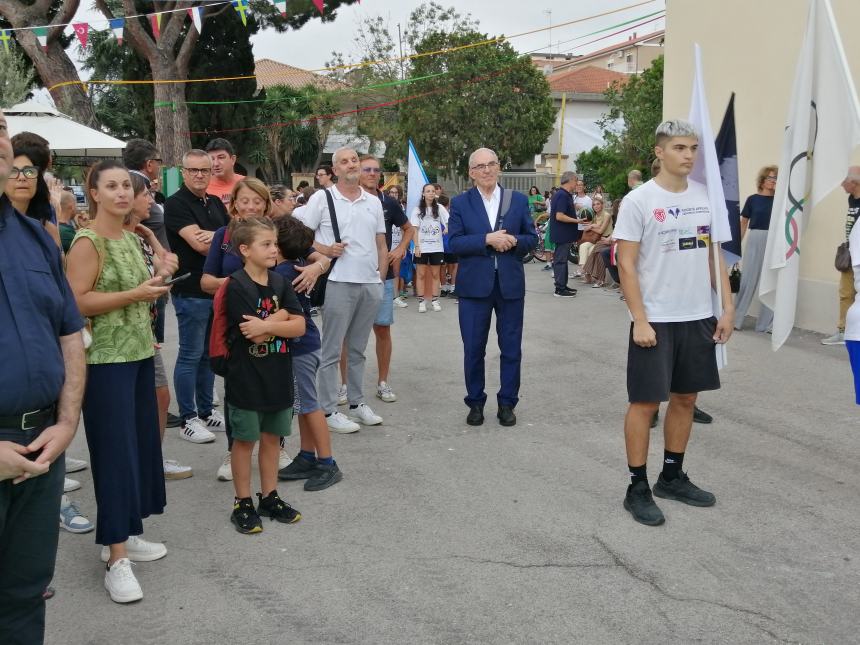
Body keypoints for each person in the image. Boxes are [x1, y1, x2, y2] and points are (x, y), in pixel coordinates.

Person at [613, 119, 734, 527]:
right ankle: (637, 486)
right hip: (656, 320)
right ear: (659, 152)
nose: (689, 155)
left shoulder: (706, 196)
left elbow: (714, 256)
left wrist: (728, 308)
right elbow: (625, 265)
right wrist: (640, 319)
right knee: (646, 403)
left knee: (686, 399)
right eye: (680, 148)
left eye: (694, 148)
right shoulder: (638, 200)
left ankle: (671, 475)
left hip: (698, 316)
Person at [66, 160, 177, 602]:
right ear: (93, 193)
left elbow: (144, 289)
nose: (121, 193)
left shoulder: (131, 237)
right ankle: (115, 557)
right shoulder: (87, 241)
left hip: (137, 355)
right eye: (110, 186)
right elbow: (76, 302)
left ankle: (126, 531)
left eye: (126, 186)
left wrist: (159, 278)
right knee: (113, 455)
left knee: (138, 448)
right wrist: (136, 294)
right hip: (105, 362)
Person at [0, 110, 86, 645]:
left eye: (0, 130)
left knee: (26, 594)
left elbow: (69, 334)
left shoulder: (35, 237)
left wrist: (67, 419)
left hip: (42, 448)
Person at [202, 178, 322, 480]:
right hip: (237, 326)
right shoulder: (223, 236)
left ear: (267, 204)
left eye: (257, 201)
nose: (251, 206)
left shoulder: (277, 232)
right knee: (237, 392)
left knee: (277, 387)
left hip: (274, 327)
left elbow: (320, 256)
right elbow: (205, 281)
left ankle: (277, 446)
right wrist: (239, 285)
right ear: (234, 203)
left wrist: (315, 268)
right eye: (245, 200)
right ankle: (235, 452)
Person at [221, 217, 305, 534]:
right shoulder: (236, 285)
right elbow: (251, 336)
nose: (274, 249)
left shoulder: (280, 282)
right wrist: (282, 318)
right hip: (246, 378)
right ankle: (242, 502)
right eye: (265, 244)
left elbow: (299, 326)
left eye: (274, 243)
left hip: (278, 376)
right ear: (245, 249)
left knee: (273, 438)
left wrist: (271, 322)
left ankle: (269, 496)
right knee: (245, 441)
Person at [296, 147, 388, 433]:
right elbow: (299, 237)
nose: (352, 165)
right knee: (332, 349)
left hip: (370, 283)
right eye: (344, 161)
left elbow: (381, 244)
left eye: (355, 160)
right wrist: (324, 249)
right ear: (334, 170)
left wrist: (380, 278)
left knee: (359, 348)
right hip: (337, 280)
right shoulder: (323, 199)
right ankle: (328, 409)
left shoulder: (372, 202)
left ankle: (357, 402)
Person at [448, 147, 537, 427]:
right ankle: (475, 401)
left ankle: (507, 403)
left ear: (499, 167)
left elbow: (532, 238)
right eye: (480, 166)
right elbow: (453, 243)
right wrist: (487, 239)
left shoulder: (518, 200)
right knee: (474, 348)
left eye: (491, 164)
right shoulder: (461, 203)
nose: (486, 170)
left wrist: (512, 241)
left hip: (510, 286)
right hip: (474, 287)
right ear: (471, 173)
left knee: (511, 348)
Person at [125, 172, 191, 480]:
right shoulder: (112, 239)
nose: (152, 199)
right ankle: (143, 462)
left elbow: (168, 264)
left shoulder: (140, 234)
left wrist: (150, 237)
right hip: (126, 333)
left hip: (145, 328)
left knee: (159, 396)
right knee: (148, 397)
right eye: (146, 194)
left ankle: (152, 458)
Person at [164, 149, 229, 443]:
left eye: (205, 170)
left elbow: (233, 238)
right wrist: (218, 237)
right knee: (190, 354)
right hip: (190, 289)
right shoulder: (176, 203)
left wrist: (212, 236)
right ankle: (187, 417)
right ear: (183, 172)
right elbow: (201, 246)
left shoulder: (215, 202)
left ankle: (205, 411)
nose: (200, 175)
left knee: (207, 353)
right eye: (194, 170)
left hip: (214, 288)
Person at [274, 216, 343, 490]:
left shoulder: (281, 275)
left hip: (301, 346)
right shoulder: (293, 268)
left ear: (277, 246)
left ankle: (327, 462)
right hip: (305, 344)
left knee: (310, 404)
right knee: (303, 402)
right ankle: (306, 455)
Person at [358, 155, 413, 402]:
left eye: (376, 170)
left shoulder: (388, 203)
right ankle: (344, 385)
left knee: (382, 329)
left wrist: (401, 249)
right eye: (366, 169)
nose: (372, 173)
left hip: (383, 276)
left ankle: (382, 382)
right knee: (348, 335)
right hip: (350, 275)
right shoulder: (344, 200)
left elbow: (409, 228)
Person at [733, 165, 778, 332]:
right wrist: (736, 245)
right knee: (747, 280)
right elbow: (743, 223)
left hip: (774, 241)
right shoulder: (753, 199)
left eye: (775, 179)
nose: (773, 182)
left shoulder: (780, 200)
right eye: (770, 178)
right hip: (755, 238)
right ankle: (735, 319)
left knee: (772, 281)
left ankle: (766, 324)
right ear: (763, 180)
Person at [822, 166, 860, 345]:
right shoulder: (852, 199)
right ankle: (843, 331)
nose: (841, 185)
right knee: (846, 293)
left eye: (843, 181)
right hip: (849, 253)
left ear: (854, 182)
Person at [5, 132, 62, 251]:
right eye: (13, 171)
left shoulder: (47, 229)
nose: (22, 177)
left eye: (30, 171)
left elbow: (57, 266)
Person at [412, 183, 449, 312]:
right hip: (422, 247)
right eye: (428, 191)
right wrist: (417, 246)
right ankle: (422, 301)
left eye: (433, 191)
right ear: (423, 193)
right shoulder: (417, 209)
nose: (431, 193)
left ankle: (435, 300)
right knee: (420, 274)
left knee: (435, 274)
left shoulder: (439, 208)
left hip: (437, 247)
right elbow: (414, 230)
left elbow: (449, 221)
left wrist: (447, 228)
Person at [549, 171, 587, 297]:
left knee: (563, 260)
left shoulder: (565, 195)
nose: (577, 183)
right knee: (560, 260)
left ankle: (563, 286)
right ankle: (559, 289)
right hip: (562, 234)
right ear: (570, 180)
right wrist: (576, 220)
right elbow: (559, 216)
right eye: (576, 180)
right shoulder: (562, 195)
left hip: (564, 234)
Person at [578, 192, 613, 279]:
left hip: (606, 239)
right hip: (595, 239)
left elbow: (601, 230)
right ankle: (583, 268)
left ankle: (585, 273)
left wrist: (591, 226)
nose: (596, 206)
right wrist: (592, 226)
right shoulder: (593, 216)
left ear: (602, 205)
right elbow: (586, 228)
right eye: (594, 205)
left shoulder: (607, 215)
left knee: (591, 251)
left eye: (598, 204)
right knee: (583, 246)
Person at [205, 138, 245, 208]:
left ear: (233, 159)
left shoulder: (247, 183)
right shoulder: (203, 188)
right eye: (212, 159)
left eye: (221, 157)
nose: (216, 163)